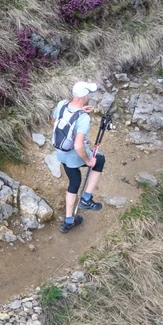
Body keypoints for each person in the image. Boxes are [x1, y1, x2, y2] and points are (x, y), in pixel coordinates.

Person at [51, 80, 106, 233]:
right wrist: (89, 161)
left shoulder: (62, 104)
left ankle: (68, 221)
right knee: (99, 160)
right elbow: (78, 146)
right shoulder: (83, 118)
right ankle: (86, 199)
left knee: (74, 182)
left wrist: (80, 110)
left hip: (60, 153)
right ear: (85, 96)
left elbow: (54, 122)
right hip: (73, 155)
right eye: (89, 93)